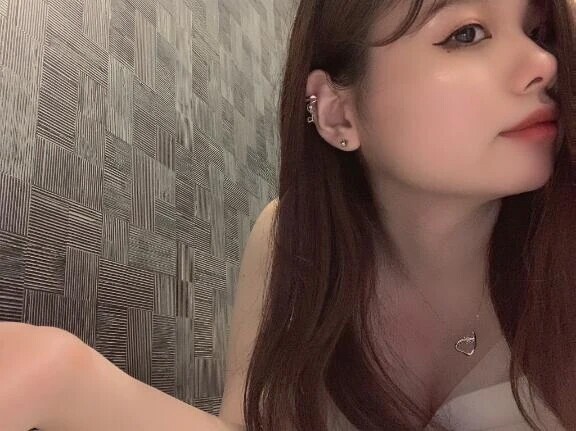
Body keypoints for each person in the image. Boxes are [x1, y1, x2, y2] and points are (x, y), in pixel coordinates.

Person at [0, 0, 575, 430]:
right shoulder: (286, 242)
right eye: (467, 33)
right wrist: (62, 378)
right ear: (339, 114)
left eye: (539, 32)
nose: (544, 63)